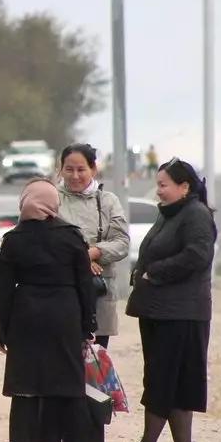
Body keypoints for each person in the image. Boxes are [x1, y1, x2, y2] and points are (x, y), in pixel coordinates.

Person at [0, 179, 119, 442]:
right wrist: (88, 322)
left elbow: (3, 289)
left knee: (25, 382)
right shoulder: (71, 236)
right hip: (64, 313)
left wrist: (1, 328)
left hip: (25, 315)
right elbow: (84, 283)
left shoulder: (14, 239)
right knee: (70, 381)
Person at [121, 159, 215, 442]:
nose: (158, 190)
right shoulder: (172, 214)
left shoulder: (196, 215)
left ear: (184, 187)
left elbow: (198, 255)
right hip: (161, 310)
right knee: (171, 380)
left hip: (181, 312)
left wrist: (153, 273)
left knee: (165, 379)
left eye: (163, 185)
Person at [56, 143, 131, 349]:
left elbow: (122, 242)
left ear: (93, 169)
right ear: (60, 169)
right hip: (61, 292)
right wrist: (81, 259)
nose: (75, 176)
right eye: (69, 169)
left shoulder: (108, 201)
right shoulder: (52, 199)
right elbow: (44, 242)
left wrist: (95, 252)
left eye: (81, 169)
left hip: (97, 294)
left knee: (95, 366)